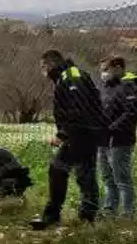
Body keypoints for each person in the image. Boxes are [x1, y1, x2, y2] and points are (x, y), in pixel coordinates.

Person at [30, 51, 104, 230]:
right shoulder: (68, 76)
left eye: (43, 67)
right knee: (85, 174)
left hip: (81, 133)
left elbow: (77, 109)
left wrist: (62, 135)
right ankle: (88, 217)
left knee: (58, 169)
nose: (43, 71)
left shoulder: (71, 77)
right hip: (85, 132)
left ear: (51, 64)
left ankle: (53, 216)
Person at [98, 56, 137, 220]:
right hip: (102, 140)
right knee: (107, 178)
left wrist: (112, 129)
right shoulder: (104, 88)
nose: (103, 73)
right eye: (101, 70)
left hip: (120, 140)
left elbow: (132, 114)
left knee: (122, 178)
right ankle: (109, 210)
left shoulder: (129, 88)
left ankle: (128, 213)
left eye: (106, 69)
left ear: (118, 68)